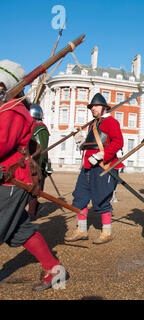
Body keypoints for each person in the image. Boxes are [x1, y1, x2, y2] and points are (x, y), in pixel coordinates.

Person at [0, 59, 66, 291]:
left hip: (12, 180)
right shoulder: (5, 109)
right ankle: (54, 269)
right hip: (9, 180)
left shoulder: (14, 111)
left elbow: (2, 144)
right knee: (20, 229)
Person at [65, 93, 124, 245]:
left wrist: (101, 155)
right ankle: (81, 230)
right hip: (87, 166)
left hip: (103, 166)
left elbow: (118, 142)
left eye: (96, 106)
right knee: (80, 196)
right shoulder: (93, 124)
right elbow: (90, 145)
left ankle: (106, 232)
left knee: (102, 197)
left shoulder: (111, 122)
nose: (93, 109)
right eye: (92, 107)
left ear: (104, 107)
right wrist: (79, 139)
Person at [27, 104, 53, 217]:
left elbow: (42, 148)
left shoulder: (41, 128)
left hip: (36, 164)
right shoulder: (30, 128)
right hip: (28, 162)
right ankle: (36, 207)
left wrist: (37, 166)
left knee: (34, 191)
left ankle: (32, 213)